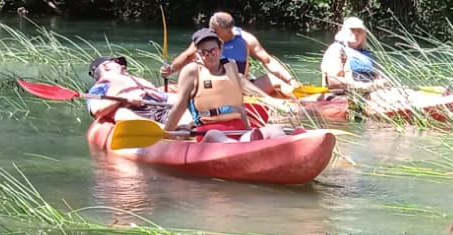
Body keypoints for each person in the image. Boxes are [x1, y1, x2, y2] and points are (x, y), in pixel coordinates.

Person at [162, 29, 296, 140]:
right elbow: (180, 106)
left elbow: (239, 103)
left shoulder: (231, 65)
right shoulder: (191, 71)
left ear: (220, 49)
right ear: (198, 54)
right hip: (209, 131)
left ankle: (285, 148)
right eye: (204, 53)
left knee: (275, 130)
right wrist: (166, 133)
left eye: (213, 51)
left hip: (238, 128)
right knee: (216, 135)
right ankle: (239, 148)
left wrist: (248, 128)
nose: (209, 56)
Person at [167, 11, 301, 97]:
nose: (211, 32)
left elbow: (268, 61)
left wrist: (291, 80)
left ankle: (302, 101)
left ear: (228, 30)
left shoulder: (246, 39)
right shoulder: (206, 40)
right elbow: (187, 56)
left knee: (274, 80)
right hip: (213, 87)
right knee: (169, 89)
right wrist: (171, 68)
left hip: (243, 87)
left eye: (214, 30)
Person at [84, 56, 174, 123]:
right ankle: (165, 130)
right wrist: (124, 97)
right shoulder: (99, 87)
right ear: (106, 66)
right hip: (135, 112)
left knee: (177, 101)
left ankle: (176, 128)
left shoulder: (139, 82)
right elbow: (96, 110)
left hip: (162, 108)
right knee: (121, 114)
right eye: (118, 62)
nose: (123, 66)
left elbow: (168, 98)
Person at [321, 16, 383, 93]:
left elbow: (379, 77)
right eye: (352, 30)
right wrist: (363, 86)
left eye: (359, 31)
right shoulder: (336, 49)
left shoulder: (368, 55)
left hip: (371, 90)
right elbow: (333, 80)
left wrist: (381, 83)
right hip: (348, 93)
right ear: (344, 32)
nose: (356, 33)